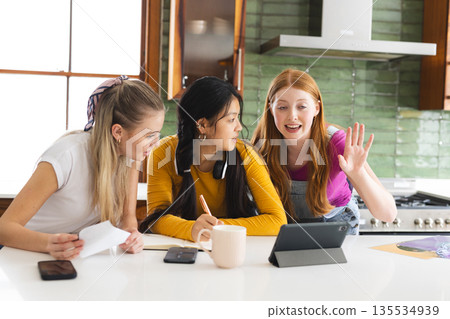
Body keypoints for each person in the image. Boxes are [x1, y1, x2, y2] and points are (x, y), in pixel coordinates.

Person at [0, 76, 165, 259]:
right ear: (118, 132)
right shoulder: (66, 156)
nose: (156, 144)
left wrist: (131, 235)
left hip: (65, 258)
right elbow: (4, 229)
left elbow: (128, 219)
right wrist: (48, 243)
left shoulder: (130, 158)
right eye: (150, 136)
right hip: (18, 256)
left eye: (158, 134)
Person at [139, 76, 287, 241]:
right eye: (231, 119)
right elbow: (157, 218)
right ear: (202, 125)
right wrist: (193, 229)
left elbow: (277, 220)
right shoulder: (163, 152)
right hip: (188, 248)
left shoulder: (246, 155)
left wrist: (218, 228)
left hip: (232, 245)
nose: (239, 127)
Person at [251, 69, 397, 234]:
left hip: (338, 232)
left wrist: (358, 174)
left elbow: (388, 214)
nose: (292, 116)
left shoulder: (337, 144)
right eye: (283, 107)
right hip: (285, 232)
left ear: (316, 108)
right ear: (271, 109)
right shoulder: (261, 148)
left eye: (302, 107)